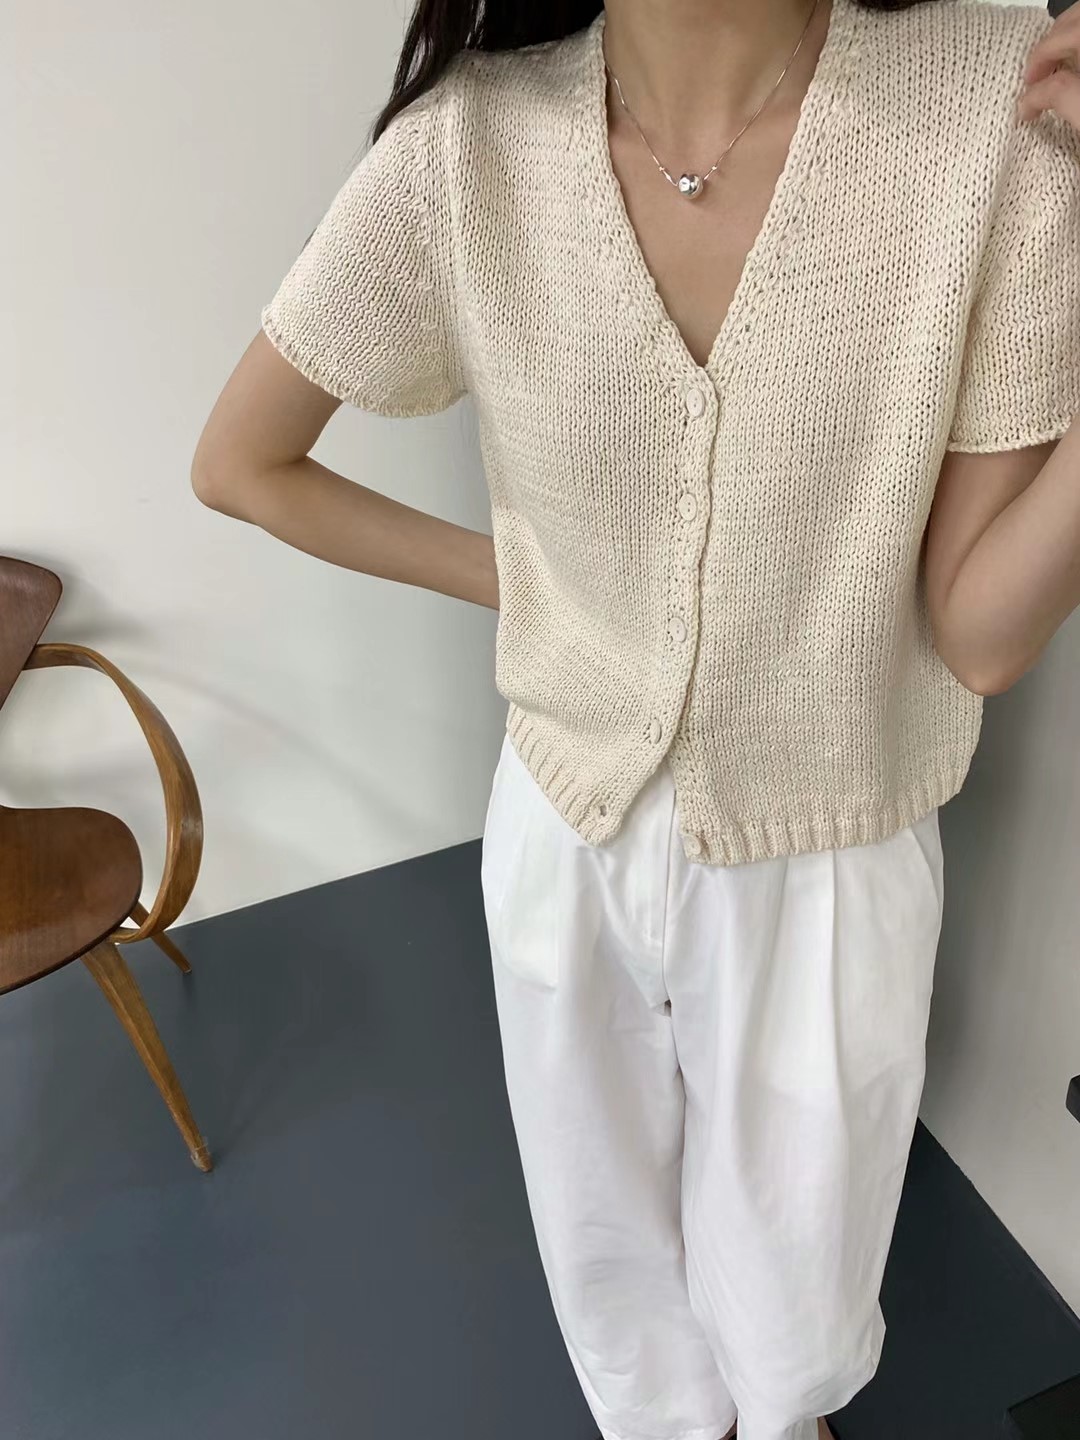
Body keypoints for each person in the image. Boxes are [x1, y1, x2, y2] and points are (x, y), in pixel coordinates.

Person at [190, 1, 1080, 1436]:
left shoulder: (996, 112)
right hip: (566, 817)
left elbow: (982, 634)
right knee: (603, 1248)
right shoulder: (471, 148)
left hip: (828, 835)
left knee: (798, 1297)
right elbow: (243, 464)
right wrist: (535, 584)